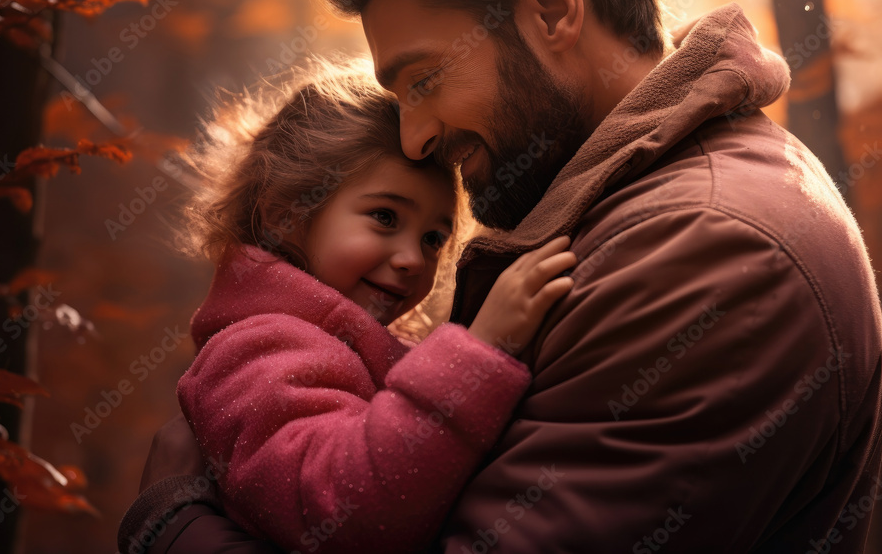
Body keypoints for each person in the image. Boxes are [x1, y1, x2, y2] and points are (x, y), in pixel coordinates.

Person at [122, 0, 882, 551]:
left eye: (423, 79)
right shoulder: (640, 213)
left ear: (551, 9)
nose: (416, 137)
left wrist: (174, 524)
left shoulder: (705, 249)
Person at [118, 62, 577, 554]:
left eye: (433, 239)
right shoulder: (256, 347)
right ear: (285, 214)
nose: (410, 260)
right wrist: (478, 354)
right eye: (384, 217)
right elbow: (344, 512)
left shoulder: (342, 344)